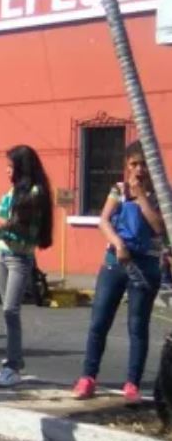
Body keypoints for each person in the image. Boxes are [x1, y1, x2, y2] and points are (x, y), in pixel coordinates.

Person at [73, 141, 165, 403]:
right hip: (115, 261)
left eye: (144, 164)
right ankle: (88, 376)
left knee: (138, 326)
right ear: (127, 166)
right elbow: (103, 220)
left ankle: (132, 383)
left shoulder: (159, 193)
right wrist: (118, 243)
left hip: (145, 265)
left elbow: (160, 227)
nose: (139, 169)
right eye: (134, 164)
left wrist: (143, 198)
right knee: (99, 321)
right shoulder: (118, 190)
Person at [0, 145, 54, 387]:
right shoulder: (12, 191)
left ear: (22, 168)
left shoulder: (35, 193)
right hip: (1, 253)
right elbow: (2, 219)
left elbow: (18, 223)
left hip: (19, 258)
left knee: (11, 310)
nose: (6, 171)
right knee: (6, 310)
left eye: (11, 167)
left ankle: (13, 365)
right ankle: (11, 361)